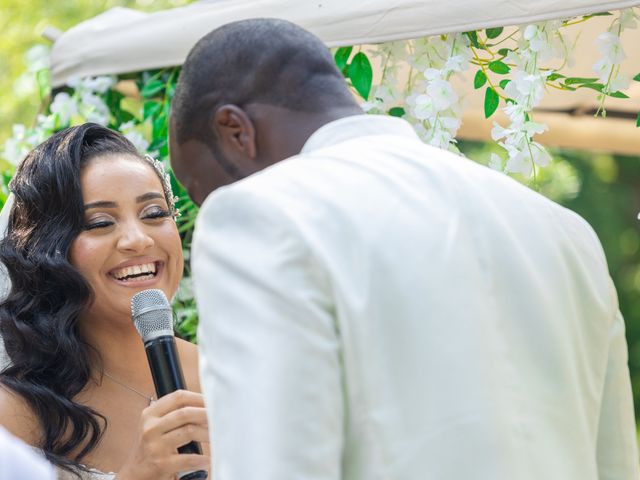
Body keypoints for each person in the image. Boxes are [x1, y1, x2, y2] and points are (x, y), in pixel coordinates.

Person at [169, 18, 639, 480]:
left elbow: (273, 464)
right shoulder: (565, 231)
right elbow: (617, 464)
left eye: (201, 192)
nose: (208, 209)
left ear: (235, 131)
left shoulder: (261, 215)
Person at [0, 124, 210, 479]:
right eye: (100, 222)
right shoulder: (15, 414)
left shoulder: (232, 374)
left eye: (155, 213)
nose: (137, 240)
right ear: (47, 251)